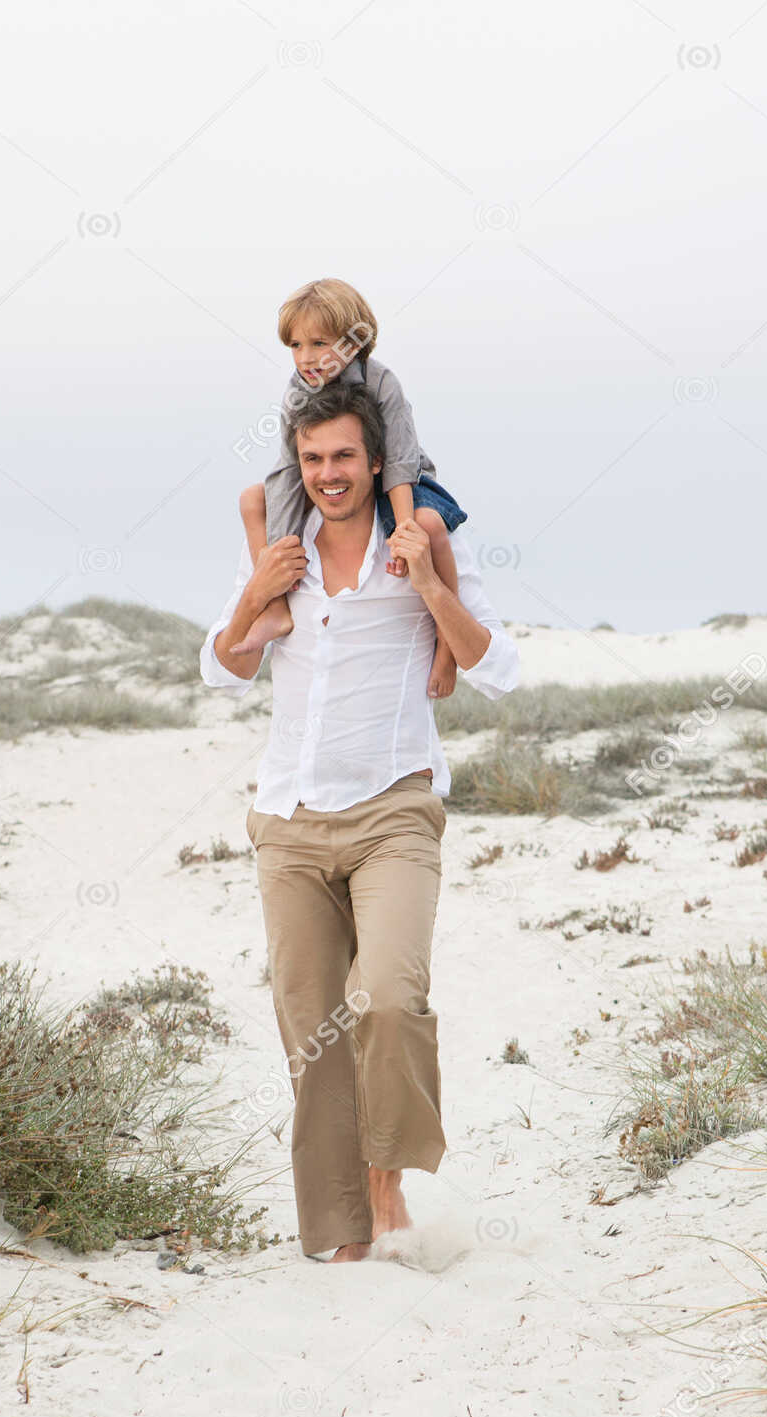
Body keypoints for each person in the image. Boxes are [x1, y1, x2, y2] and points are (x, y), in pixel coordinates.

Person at [199, 382, 520, 1263]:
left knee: (384, 996)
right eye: (313, 460)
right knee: (313, 1033)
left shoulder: (422, 542)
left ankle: (390, 1179)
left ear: (377, 461)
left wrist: (426, 584)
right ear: (296, 467)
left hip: (393, 812)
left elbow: (502, 667)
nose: (329, 474)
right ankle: (341, 1240)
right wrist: (249, 600)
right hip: (289, 823)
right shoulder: (282, 548)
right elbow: (222, 671)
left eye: (344, 457)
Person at [231, 276, 467, 700]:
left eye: (319, 343)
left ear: (355, 340)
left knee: (429, 527)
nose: (306, 358)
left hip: (399, 479)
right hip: (335, 479)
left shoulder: (382, 383)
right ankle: (274, 608)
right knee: (253, 499)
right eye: (296, 346)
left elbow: (399, 460)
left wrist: (403, 530)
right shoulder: (296, 392)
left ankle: (447, 649)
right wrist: (278, 549)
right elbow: (288, 471)